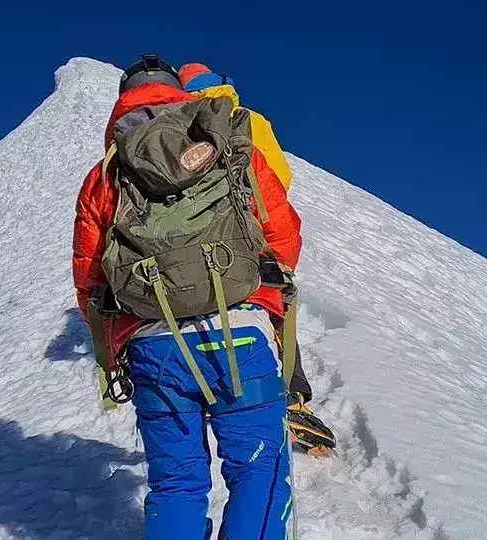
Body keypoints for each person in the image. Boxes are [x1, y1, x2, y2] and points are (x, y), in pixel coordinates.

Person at [73, 54, 298, 539]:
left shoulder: (106, 175)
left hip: (153, 346)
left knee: (176, 483)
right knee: (259, 471)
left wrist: (112, 352)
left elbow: (91, 278)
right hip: (241, 328)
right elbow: (283, 234)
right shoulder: (228, 142)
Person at [178, 63, 337, 455]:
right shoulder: (247, 119)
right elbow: (277, 177)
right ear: (221, 85)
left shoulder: (177, 123)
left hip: (192, 238)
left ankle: (197, 393)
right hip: (250, 231)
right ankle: (290, 399)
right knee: (274, 305)